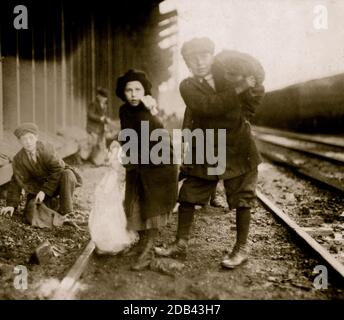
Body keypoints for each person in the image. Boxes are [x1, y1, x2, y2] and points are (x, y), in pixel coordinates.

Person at [155, 37, 265, 269]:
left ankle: (241, 248)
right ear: (187, 63)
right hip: (207, 146)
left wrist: (252, 91)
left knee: (243, 197)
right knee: (188, 194)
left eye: (204, 56)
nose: (199, 62)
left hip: (238, 146)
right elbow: (207, 106)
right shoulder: (188, 86)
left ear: (212, 56)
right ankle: (180, 243)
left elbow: (254, 95)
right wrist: (239, 89)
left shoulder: (228, 74)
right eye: (193, 59)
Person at [115, 69, 178, 271]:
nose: (133, 94)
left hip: (159, 166)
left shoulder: (151, 115)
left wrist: (155, 112)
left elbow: (161, 144)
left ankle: (149, 251)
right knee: (134, 205)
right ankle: (141, 245)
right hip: (138, 164)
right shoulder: (124, 111)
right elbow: (127, 136)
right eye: (128, 90)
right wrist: (116, 146)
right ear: (123, 93)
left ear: (145, 92)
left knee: (151, 208)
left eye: (137, 89)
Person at [0, 123, 82, 227]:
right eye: (24, 139)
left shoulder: (47, 148)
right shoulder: (18, 159)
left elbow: (58, 169)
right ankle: (53, 210)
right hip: (37, 190)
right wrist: (11, 205)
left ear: (36, 137)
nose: (28, 142)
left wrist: (45, 191)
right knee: (31, 213)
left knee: (67, 174)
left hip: (57, 183)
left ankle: (65, 211)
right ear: (20, 141)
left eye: (31, 138)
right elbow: (16, 180)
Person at [84, 87, 111, 166]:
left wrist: (106, 119)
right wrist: (100, 118)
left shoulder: (104, 105)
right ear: (98, 96)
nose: (104, 99)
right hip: (93, 128)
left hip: (100, 129)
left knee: (100, 144)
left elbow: (103, 116)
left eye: (105, 98)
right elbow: (90, 115)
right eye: (103, 97)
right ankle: (91, 160)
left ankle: (98, 160)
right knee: (93, 144)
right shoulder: (93, 104)